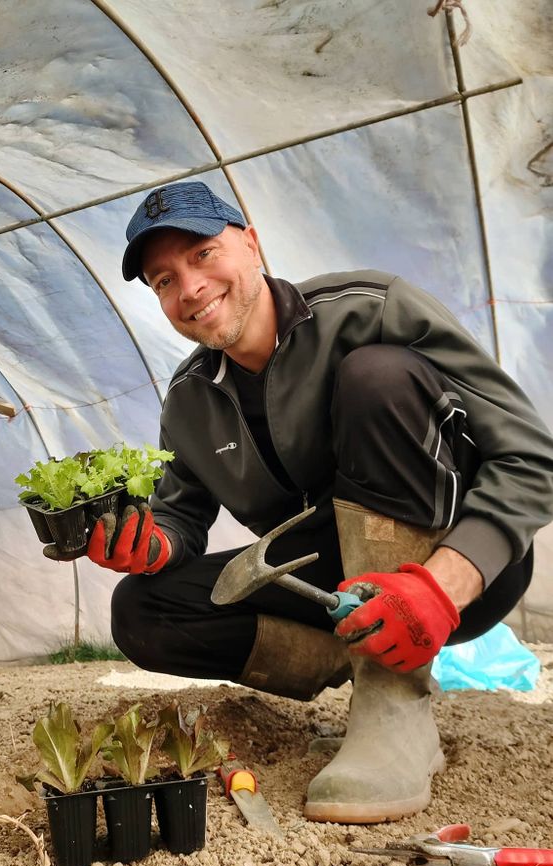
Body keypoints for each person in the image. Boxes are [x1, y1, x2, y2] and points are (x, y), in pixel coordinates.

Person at [44, 181, 553, 824]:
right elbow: (181, 514)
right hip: (332, 583)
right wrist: (153, 543)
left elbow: (532, 457)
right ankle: (363, 654)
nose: (190, 288)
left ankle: (394, 699)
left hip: (463, 570)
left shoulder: (369, 308)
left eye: (203, 254)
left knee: (378, 376)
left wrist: (442, 584)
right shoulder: (190, 400)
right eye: (163, 279)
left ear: (252, 244)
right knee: (145, 609)